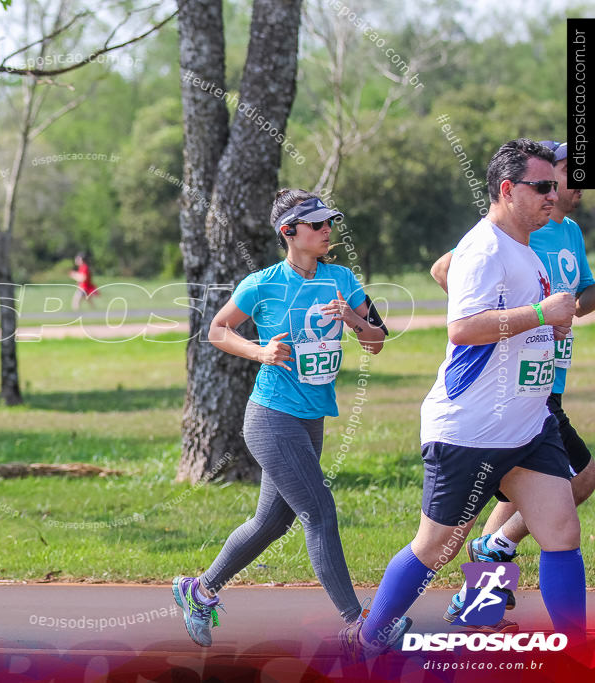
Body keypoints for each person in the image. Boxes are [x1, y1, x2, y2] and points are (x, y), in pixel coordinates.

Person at [343, 139, 585, 661]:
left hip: (527, 424)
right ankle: (370, 635)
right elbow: (464, 329)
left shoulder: (525, 245)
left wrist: (546, 334)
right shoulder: (484, 248)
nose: (553, 195)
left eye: (553, 186)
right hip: (471, 429)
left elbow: (517, 323)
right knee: (437, 547)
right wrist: (542, 315)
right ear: (507, 190)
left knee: (562, 530)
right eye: (541, 187)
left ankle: (575, 652)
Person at [172, 189, 389, 648]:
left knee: (271, 523)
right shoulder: (262, 283)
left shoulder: (342, 279)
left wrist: (352, 317)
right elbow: (216, 329)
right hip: (271, 416)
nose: (327, 230)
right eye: (316, 225)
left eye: (329, 222)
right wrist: (259, 351)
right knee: (319, 511)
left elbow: (376, 341)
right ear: (288, 232)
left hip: (312, 418)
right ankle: (358, 623)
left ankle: (200, 589)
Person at [430, 140, 595, 633]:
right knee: (577, 478)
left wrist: (557, 318)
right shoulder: (519, 230)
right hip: (517, 391)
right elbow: (446, 272)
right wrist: (512, 326)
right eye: (564, 175)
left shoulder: (567, 232)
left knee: (519, 492)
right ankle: (496, 551)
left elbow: (580, 297)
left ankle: (479, 601)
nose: (575, 184)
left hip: (547, 380)